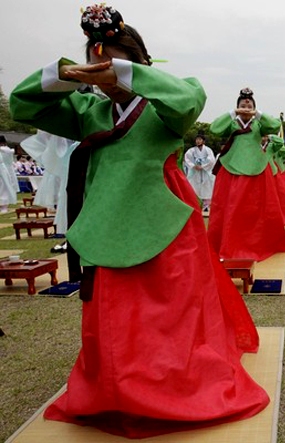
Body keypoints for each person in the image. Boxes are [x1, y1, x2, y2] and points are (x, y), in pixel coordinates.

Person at [10, 4, 268, 437]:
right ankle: (114, 388)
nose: (102, 72)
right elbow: (23, 104)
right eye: (97, 61)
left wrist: (126, 74)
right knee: (113, 318)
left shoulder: (166, 106)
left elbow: (191, 98)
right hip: (108, 222)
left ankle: (169, 386)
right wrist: (67, 73)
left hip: (163, 223)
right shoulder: (88, 111)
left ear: (138, 63)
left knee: (168, 316)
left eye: (110, 62)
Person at [208, 87, 285, 261]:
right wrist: (233, 112)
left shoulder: (259, 125)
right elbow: (214, 129)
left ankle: (257, 243)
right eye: (242, 103)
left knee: (257, 210)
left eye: (250, 103)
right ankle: (229, 244)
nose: (246, 105)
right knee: (231, 208)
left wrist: (257, 114)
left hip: (257, 168)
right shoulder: (232, 123)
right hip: (231, 168)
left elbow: (275, 126)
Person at [184, 133, 216, 211]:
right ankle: (195, 204)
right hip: (195, 171)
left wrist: (203, 166)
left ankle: (206, 206)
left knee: (207, 186)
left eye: (200, 139)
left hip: (205, 172)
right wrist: (194, 166)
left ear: (203, 141)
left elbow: (211, 160)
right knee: (194, 186)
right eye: (197, 139)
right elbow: (187, 158)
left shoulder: (208, 150)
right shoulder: (191, 150)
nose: (198, 141)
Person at [0, 135, 18, 213]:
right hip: (6, 169)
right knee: (6, 186)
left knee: (4, 186)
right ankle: (4, 206)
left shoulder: (5, 150)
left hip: (3, 168)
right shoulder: (8, 150)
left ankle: (4, 206)